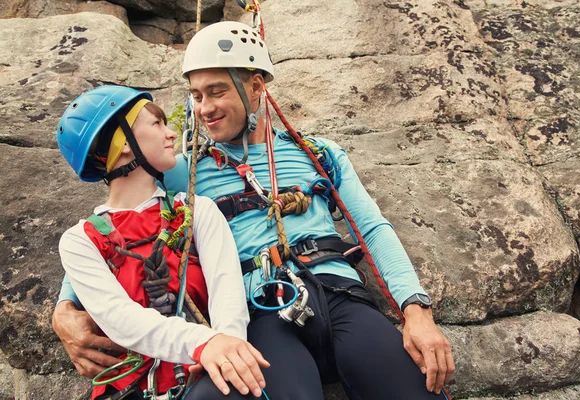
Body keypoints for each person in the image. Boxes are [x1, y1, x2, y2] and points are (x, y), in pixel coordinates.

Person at [54, 21, 455, 400]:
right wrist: (65, 308)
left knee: (412, 387)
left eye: (216, 92)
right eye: (196, 96)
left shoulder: (316, 154)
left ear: (256, 86)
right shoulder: (182, 172)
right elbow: (122, 220)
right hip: (259, 312)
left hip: (339, 294)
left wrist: (416, 311)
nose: (204, 108)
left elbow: (371, 228)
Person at [54, 85, 269, 400]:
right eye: (157, 123)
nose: (172, 134)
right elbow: (120, 319)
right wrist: (205, 344)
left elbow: (227, 292)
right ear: (124, 143)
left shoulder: (198, 211)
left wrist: (228, 349)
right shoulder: (79, 242)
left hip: (209, 379)